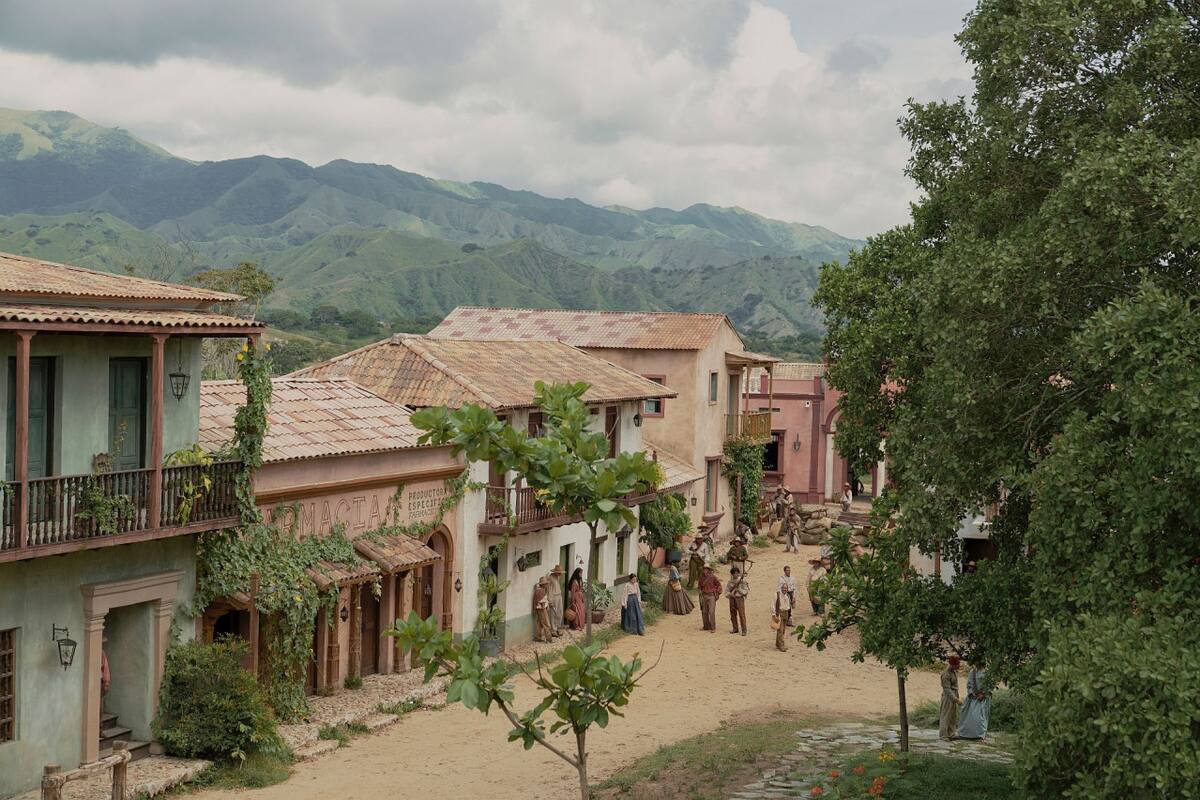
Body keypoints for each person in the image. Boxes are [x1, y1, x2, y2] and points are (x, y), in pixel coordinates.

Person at [957, 664, 992, 740]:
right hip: (972, 698)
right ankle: (965, 734)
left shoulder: (987, 673)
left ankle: (979, 735)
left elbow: (990, 685)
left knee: (979, 718)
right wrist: (971, 693)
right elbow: (969, 684)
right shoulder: (972, 672)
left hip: (982, 699)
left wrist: (983, 694)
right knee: (966, 715)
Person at [939, 656, 962, 741]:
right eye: (957, 664)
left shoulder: (953, 672)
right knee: (946, 715)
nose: (959, 666)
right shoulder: (946, 674)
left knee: (952, 715)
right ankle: (943, 735)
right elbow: (947, 689)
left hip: (954, 694)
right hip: (948, 697)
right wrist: (955, 699)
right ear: (952, 665)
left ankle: (951, 733)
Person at [726, 566, 749, 635]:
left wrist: (738, 590)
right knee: (733, 614)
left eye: (736, 573)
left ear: (738, 573)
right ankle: (735, 628)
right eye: (733, 574)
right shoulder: (730, 581)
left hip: (739, 598)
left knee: (741, 614)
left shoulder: (742, 581)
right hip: (732, 599)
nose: (735, 575)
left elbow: (746, 590)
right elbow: (727, 591)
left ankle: (744, 630)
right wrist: (730, 594)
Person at [698, 564, 722, 631]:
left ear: (708, 570)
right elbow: (699, 586)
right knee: (704, 612)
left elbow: (719, 585)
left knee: (711, 611)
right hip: (704, 595)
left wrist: (717, 593)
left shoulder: (713, 577)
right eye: (704, 569)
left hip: (711, 596)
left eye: (706, 569)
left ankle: (713, 627)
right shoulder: (701, 577)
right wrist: (700, 591)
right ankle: (706, 626)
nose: (705, 570)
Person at [546, 564, 564, 637]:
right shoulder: (551, 577)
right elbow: (549, 589)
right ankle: (553, 630)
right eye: (559, 572)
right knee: (553, 613)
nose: (560, 573)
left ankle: (557, 627)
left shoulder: (557, 577)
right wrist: (550, 600)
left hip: (559, 595)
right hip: (553, 597)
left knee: (560, 613)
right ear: (556, 572)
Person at [533, 578, 553, 642]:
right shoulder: (540, 591)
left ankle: (537, 637)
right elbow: (541, 601)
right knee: (546, 624)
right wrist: (545, 607)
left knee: (539, 623)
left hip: (540, 609)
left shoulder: (540, 590)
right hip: (542, 609)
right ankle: (549, 638)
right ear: (543, 584)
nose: (547, 585)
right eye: (546, 584)